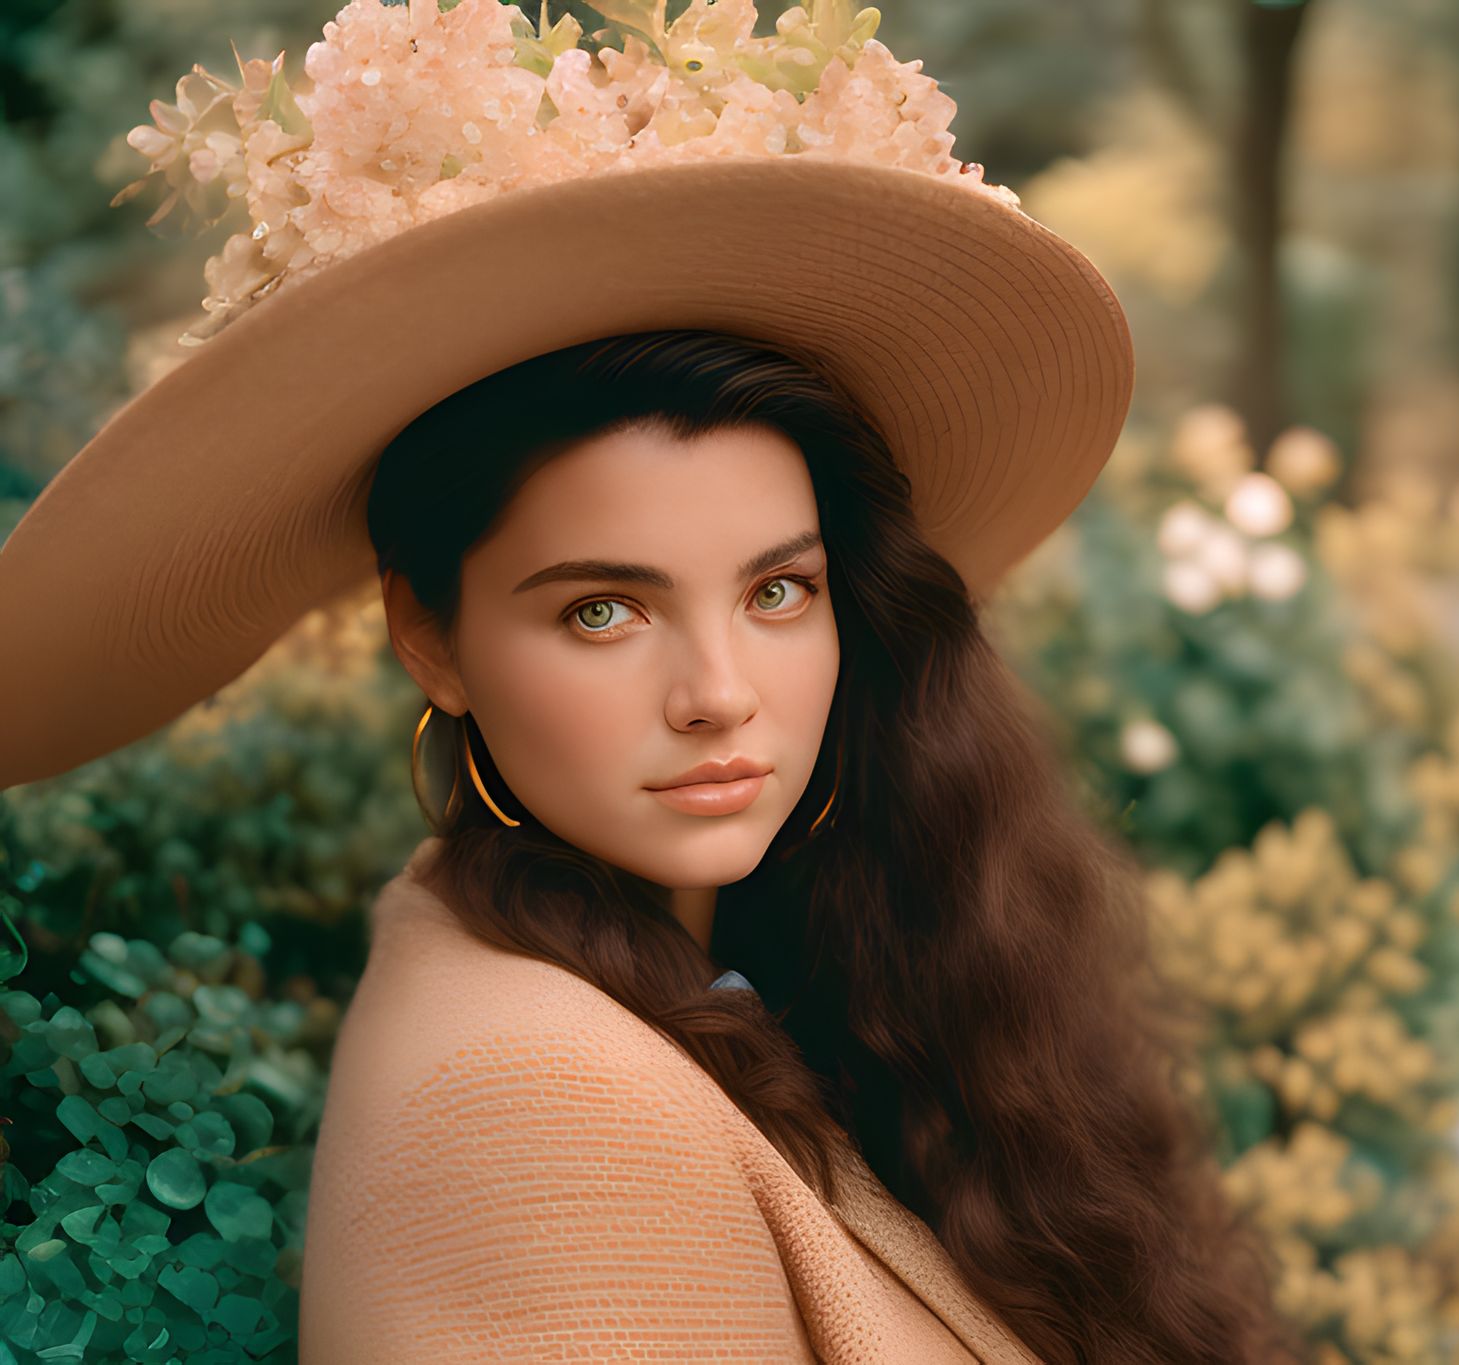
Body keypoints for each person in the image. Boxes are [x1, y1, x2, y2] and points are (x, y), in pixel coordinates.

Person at [0, 1, 1302, 1361]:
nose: (720, 692)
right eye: (605, 608)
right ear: (429, 637)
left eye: (777, 591)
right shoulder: (543, 1097)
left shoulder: (715, 960)